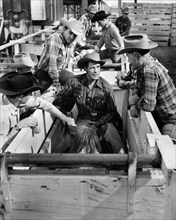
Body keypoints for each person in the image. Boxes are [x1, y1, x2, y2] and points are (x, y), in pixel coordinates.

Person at [53, 52, 124, 153]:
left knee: (114, 141)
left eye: (98, 67)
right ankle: (63, 162)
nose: (96, 71)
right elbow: (61, 100)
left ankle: (121, 161)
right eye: (92, 68)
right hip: (83, 120)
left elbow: (112, 112)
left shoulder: (106, 87)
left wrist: (98, 124)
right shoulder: (74, 82)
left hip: (103, 122)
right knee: (76, 139)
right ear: (85, 69)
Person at [116, 34, 176, 141]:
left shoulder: (148, 70)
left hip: (170, 119)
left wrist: (134, 103)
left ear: (135, 55)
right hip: (164, 115)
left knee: (166, 144)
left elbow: (148, 106)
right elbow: (130, 80)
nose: (127, 60)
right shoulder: (145, 64)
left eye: (127, 56)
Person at [0, 71, 76, 151]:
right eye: (30, 94)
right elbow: (1, 146)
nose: (32, 96)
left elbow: (43, 104)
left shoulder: (15, 100)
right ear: (20, 96)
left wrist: (65, 118)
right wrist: (18, 126)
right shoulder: (3, 115)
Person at [35, 17, 83, 93]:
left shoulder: (70, 43)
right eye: (70, 33)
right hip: (45, 73)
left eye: (75, 35)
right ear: (64, 29)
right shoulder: (55, 39)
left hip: (59, 71)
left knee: (75, 83)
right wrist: (56, 83)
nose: (72, 37)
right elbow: (52, 65)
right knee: (46, 97)